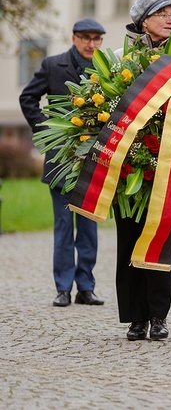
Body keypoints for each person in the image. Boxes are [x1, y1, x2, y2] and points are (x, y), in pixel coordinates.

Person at [19, 18, 105, 308]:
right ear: (74, 38)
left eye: (97, 39)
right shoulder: (53, 65)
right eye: (86, 38)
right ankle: (63, 288)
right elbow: (28, 97)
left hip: (94, 160)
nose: (92, 44)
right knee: (64, 226)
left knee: (90, 228)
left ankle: (86, 287)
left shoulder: (107, 71)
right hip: (61, 159)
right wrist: (48, 129)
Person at [115, 0, 171, 341]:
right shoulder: (119, 59)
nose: (170, 19)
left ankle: (158, 316)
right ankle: (135, 318)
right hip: (128, 167)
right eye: (163, 13)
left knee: (161, 240)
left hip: (168, 165)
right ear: (143, 20)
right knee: (128, 239)